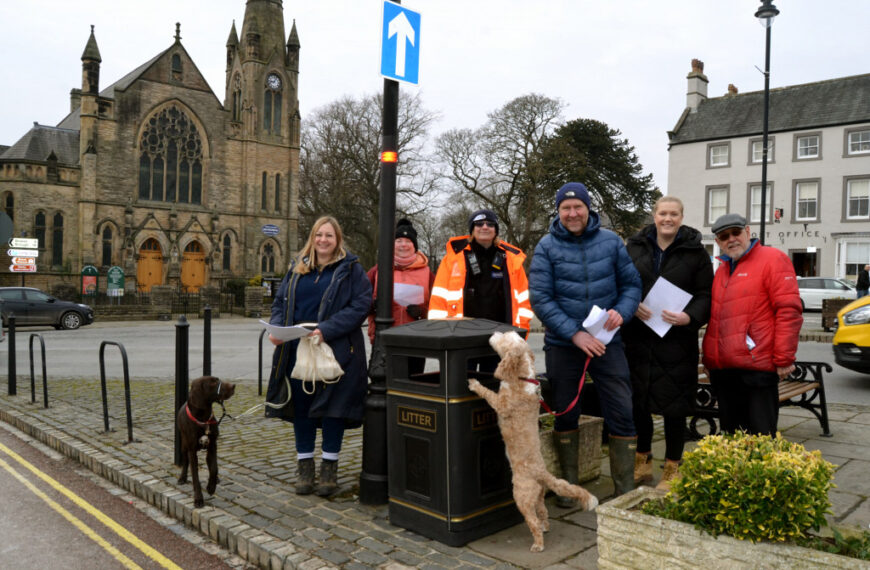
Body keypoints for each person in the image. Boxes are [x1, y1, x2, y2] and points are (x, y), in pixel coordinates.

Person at [529, 182, 642, 502]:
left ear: (588, 208)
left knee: (621, 408)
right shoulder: (547, 246)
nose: (572, 213)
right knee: (566, 411)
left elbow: (631, 285)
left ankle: (624, 489)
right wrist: (574, 333)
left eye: (578, 206)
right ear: (558, 212)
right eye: (566, 208)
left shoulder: (610, 241)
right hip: (564, 344)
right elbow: (541, 298)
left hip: (608, 341)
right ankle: (569, 488)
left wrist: (622, 310)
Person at [265, 216, 372, 497]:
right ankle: (305, 467)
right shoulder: (297, 267)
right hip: (296, 348)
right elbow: (280, 302)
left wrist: (326, 329)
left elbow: (361, 305)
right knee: (303, 409)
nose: (323, 240)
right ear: (312, 238)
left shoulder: (351, 269)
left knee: (333, 410)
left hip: (335, 350)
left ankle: (329, 468)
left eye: (329, 236)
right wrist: (276, 328)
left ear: (338, 240)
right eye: (319, 235)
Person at [623, 196, 712, 492]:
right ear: (655, 215)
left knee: (675, 407)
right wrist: (631, 304)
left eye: (674, 214)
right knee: (639, 403)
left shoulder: (696, 252)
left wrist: (690, 317)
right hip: (638, 336)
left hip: (677, 340)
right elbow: (620, 283)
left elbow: (705, 294)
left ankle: (673, 466)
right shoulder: (635, 247)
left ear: (682, 216)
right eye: (663, 213)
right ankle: (642, 458)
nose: (668, 219)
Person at [702, 213, 803, 436]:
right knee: (731, 437)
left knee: (760, 438)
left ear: (747, 232)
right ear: (718, 242)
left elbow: (789, 310)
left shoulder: (773, 259)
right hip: (725, 369)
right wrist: (709, 358)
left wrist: (784, 358)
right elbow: (717, 318)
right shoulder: (722, 270)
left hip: (756, 367)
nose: (731, 239)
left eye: (736, 233)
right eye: (724, 236)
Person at [428, 209, 533, 369]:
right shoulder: (453, 258)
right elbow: (438, 299)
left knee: (494, 388)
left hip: (500, 338)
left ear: (496, 230)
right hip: (462, 337)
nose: (485, 227)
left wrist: (521, 334)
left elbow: (524, 302)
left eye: (490, 224)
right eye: (479, 224)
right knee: (463, 387)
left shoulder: (511, 260)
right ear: (472, 229)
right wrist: (440, 335)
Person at [366, 218, 435, 375]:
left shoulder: (428, 274)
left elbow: (438, 307)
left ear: (414, 246)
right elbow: (359, 301)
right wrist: (374, 305)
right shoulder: (377, 271)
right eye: (399, 240)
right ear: (392, 244)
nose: (403, 245)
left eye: (408, 241)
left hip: (417, 341)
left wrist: (423, 312)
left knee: (413, 386)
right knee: (384, 387)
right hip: (384, 340)